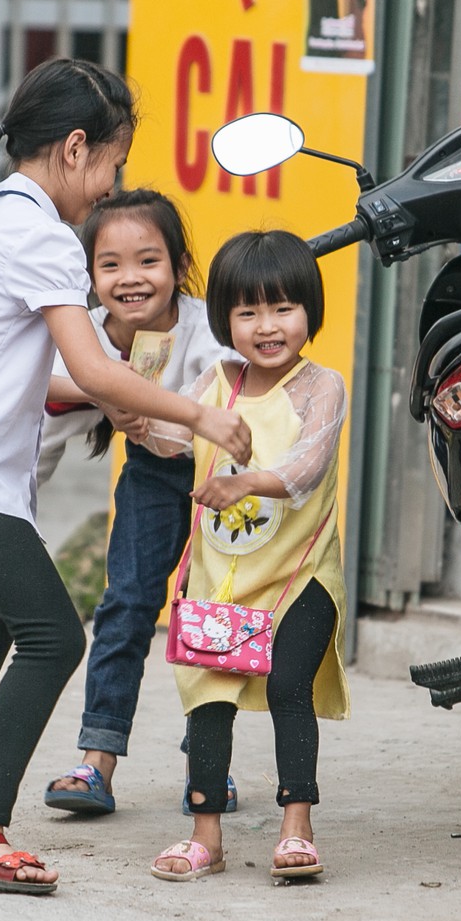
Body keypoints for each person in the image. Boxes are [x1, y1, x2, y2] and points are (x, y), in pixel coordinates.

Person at [0, 58, 251, 896]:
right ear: (76, 148)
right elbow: (95, 367)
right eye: (112, 162)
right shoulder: (39, 235)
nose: (110, 181)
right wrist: (200, 414)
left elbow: (37, 378)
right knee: (52, 635)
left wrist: (104, 397)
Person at [142, 230, 349, 884]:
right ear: (226, 318)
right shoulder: (217, 381)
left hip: (299, 575)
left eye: (283, 307)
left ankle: (297, 825)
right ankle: (207, 836)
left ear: (310, 310)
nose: (267, 326)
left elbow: (306, 468)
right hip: (220, 582)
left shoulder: (322, 385)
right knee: (207, 697)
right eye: (249, 311)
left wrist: (241, 482)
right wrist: (129, 406)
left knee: (290, 684)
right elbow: (169, 437)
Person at [38, 189, 238, 818]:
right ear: (90, 276)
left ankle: (209, 770)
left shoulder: (205, 327)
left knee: (211, 620)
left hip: (222, 481)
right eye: (111, 265)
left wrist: (139, 406)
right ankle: (96, 761)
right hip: (150, 477)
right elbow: (36, 423)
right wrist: (15, 514)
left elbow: (225, 408)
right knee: (125, 605)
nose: (130, 279)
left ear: (179, 267)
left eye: (148, 261)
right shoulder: (87, 337)